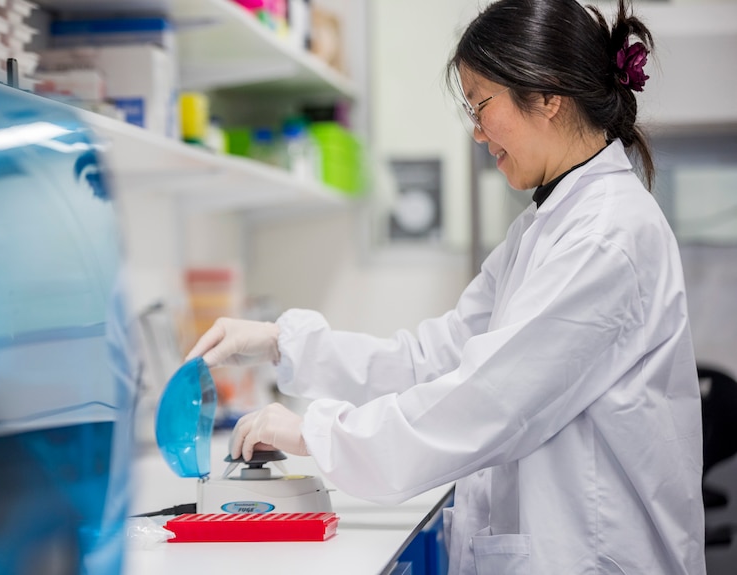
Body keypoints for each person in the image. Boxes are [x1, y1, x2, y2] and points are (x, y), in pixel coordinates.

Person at [185, 0, 706, 572]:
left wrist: (315, 431)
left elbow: (485, 402)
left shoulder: (607, 236)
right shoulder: (547, 226)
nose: (478, 133)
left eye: (481, 105)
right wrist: (283, 342)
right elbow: (436, 358)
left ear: (549, 94)